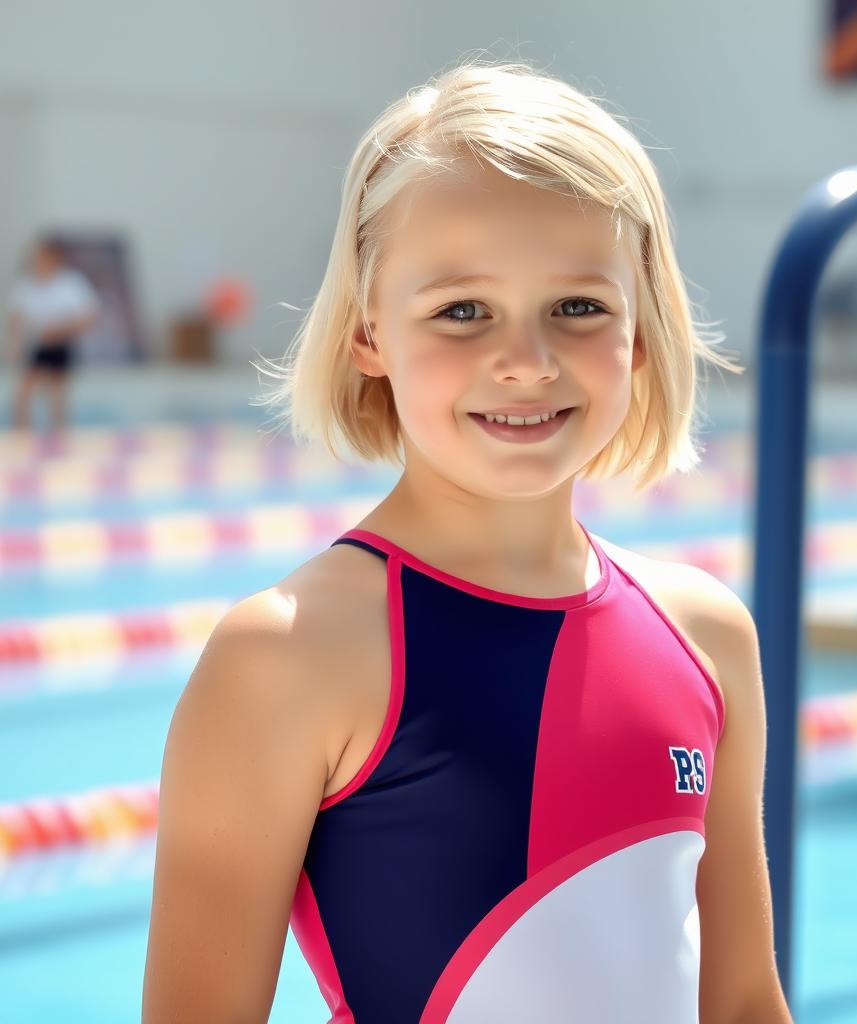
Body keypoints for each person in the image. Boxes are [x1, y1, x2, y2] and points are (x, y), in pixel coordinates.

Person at [142, 60, 793, 1024]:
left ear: (643, 332)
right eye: (461, 311)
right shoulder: (288, 656)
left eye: (579, 306)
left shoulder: (706, 637)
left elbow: (740, 1002)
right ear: (369, 334)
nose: (525, 362)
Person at [5, 235, 101, 434]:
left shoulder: (70, 283)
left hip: (61, 344)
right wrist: (13, 345)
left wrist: (62, 329)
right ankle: (22, 435)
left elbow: (90, 316)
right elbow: (15, 320)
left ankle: (59, 436)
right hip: (37, 345)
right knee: (23, 393)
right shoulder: (25, 285)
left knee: (57, 393)